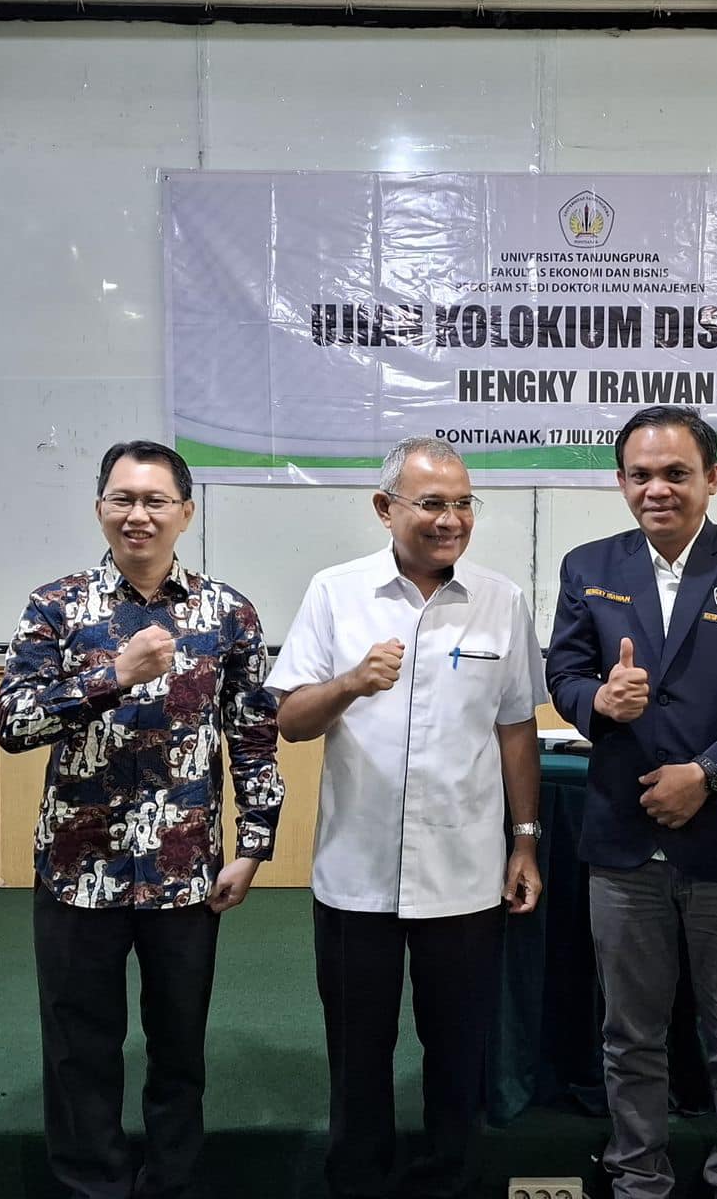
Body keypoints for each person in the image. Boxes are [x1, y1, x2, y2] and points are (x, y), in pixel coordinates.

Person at [0, 439, 285, 1199]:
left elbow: (254, 736)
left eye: (156, 501)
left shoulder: (228, 613)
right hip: (77, 870)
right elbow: (11, 725)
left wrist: (254, 845)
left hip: (185, 873)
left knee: (179, 1049)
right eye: (122, 499)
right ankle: (91, 1185)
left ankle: (172, 1185)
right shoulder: (56, 607)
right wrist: (113, 676)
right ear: (100, 508)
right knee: (78, 1050)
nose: (138, 515)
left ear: (186, 512)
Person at [265, 436, 546, 1199]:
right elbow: (290, 720)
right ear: (384, 508)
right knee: (358, 1052)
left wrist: (524, 842)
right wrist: (351, 683)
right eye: (431, 503)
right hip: (356, 873)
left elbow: (516, 727)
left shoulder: (501, 600)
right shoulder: (335, 593)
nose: (450, 519)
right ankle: (358, 1181)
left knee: (457, 1052)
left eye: (462, 503)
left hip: (464, 872)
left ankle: (450, 1180)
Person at [546, 406, 717, 1199]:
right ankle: (637, 1175)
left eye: (675, 473)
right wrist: (598, 701)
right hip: (623, 843)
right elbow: (565, 674)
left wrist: (708, 774)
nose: (656, 489)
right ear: (621, 482)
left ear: (712, 479)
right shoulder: (588, 565)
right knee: (629, 1034)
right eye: (640, 475)